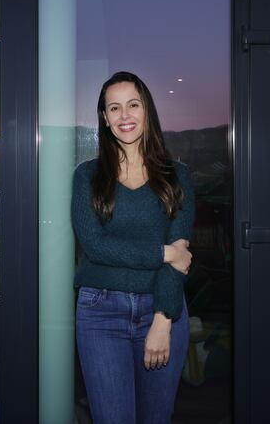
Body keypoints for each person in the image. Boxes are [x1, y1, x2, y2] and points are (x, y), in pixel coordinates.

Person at [72, 71, 195, 423]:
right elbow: (94, 246)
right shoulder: (87, 176)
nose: (124, 116)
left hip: (163, 309)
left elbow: (180, 256)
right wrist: (162, 252)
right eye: (114, 108)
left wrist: (163, 319)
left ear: (147, 111)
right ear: (105, 119)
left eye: (133, 105)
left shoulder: (177, 175)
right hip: (100, 313)